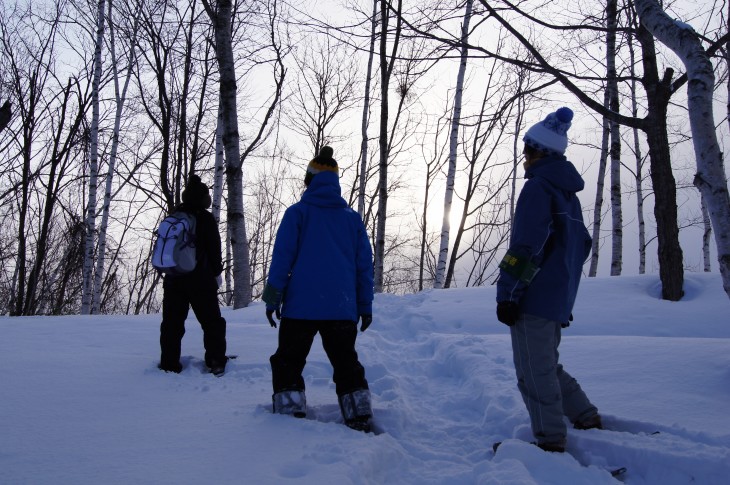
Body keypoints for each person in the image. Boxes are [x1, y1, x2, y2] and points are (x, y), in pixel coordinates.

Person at [495, 107, 602, 453]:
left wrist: (509, 293)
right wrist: (563, 290)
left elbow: (527, 248)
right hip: (556, 299)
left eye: (526, 149)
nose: (524, 157)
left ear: (536, 151)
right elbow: (580, 246)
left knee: (532, 372)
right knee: (545, 363)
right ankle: (584, 414)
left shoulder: (539, 189)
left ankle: (551, 440)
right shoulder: (567, 196)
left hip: (534, 299)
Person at [262, 146, 375, 432]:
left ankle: (289, 413)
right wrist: (365, 306)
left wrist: (272, 299)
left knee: (288, 361)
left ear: (308, 180)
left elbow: (282, 260)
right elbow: (364, 268)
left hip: (301, 307)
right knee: (346, 363)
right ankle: (358, 413)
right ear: (335, 182)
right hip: (341, 307)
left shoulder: (297, 213)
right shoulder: (352, 219)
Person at [158, 174, 227, 376]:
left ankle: (169, 363)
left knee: (172, 324)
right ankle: (216, 360)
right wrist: (216, 273)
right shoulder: (205, 218)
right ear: (203, 198)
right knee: (212, 322)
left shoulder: (174, 215)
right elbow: (214, 249)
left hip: (173, 278)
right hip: (201, 280)